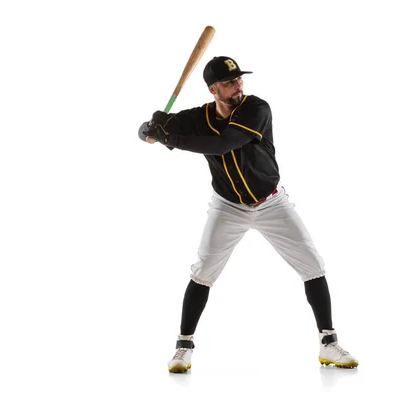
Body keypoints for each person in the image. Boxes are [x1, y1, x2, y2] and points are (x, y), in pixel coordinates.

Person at [138, 56, 358, 373]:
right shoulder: (197, 117)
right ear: (213, 89)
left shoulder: (257, 108)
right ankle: (183, 347)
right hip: (227, 206)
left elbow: (224, 143)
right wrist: (151, 127)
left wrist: (170, 138)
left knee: (313, 265)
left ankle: (329, 343)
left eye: (239, 78)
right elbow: (144, 134)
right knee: (203, 272)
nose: (238, 84)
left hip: (271, 203)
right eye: (229, 82)